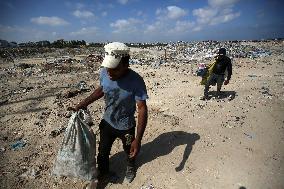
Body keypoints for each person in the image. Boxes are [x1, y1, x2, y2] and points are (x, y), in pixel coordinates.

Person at [70, 42, 148, 185]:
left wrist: (138, 139)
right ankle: (104, 173)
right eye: (108, 68)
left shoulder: (136, 81)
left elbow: (142, 108)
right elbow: (102, 89)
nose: (109, 73)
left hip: (126, 126)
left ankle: (131, 167)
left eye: (115, 69)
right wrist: (84, 103)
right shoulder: (105, 73)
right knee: (102, 152)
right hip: (107, 123)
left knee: (130, 150)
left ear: (126, 65)